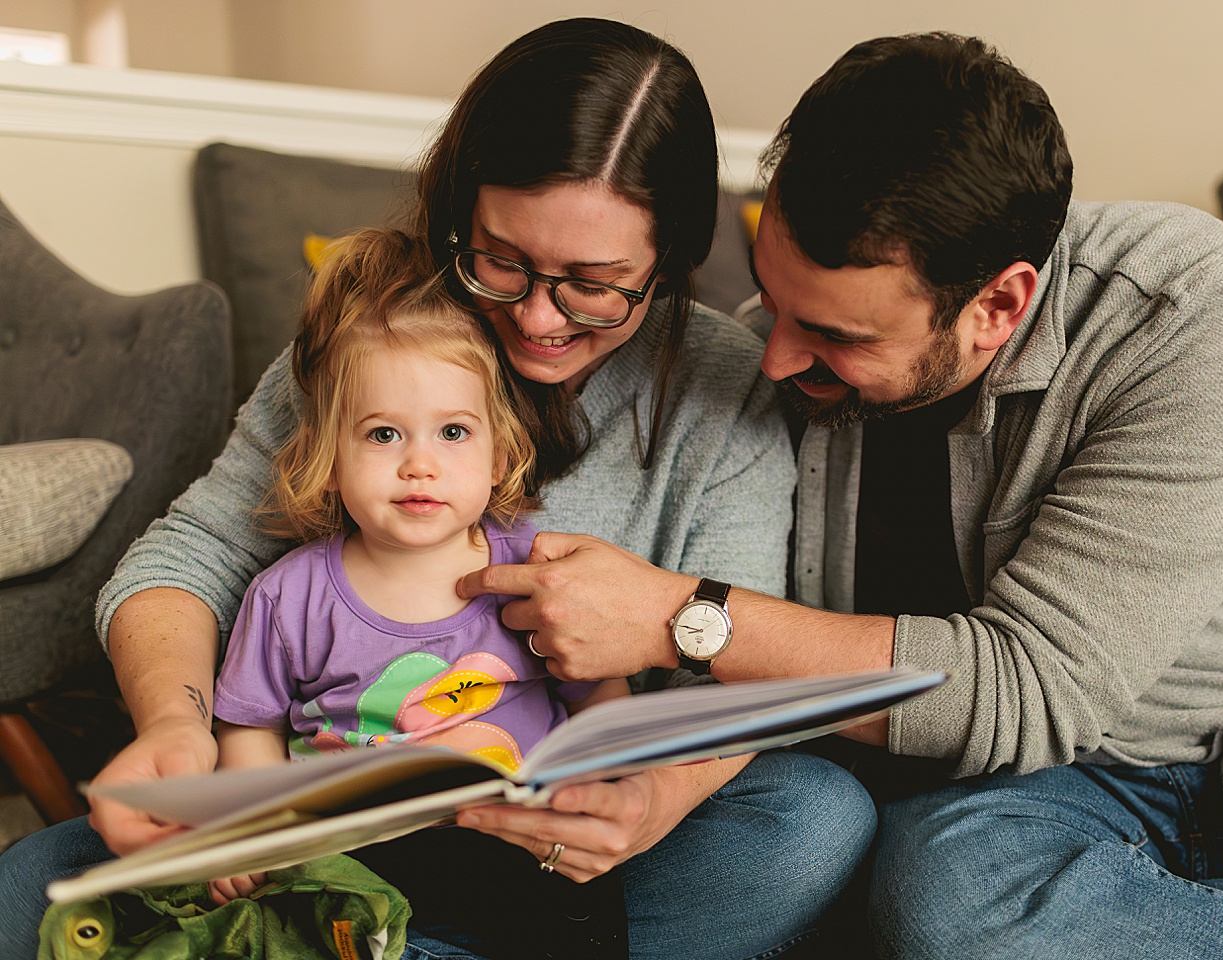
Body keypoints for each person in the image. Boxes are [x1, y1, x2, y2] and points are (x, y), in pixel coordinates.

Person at [455, 32, 1223, 960]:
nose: (780, 355)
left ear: (998, 305)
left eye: (838, 337)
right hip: (1029, 814)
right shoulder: (765, 365)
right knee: (956, 889)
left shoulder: (1191, 309)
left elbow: (1030, 690)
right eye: (773, 298)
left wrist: (685, 614)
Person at [0, 19, 875, 960]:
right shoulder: (372, 339)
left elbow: (737, 660)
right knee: (25, 889)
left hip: (552, 845)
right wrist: (177, 728)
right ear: (460, 208)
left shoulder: (727, 389)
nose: (537, 319)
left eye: (595, 284)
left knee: (812, 817)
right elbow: (194, 553)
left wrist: (658, 794)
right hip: (334, 819)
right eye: (501, 258)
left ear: (668, 265)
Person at [202, 226, 627, 919]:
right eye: (382, 434)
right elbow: (248, 729)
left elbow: (601, 700)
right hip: (354, 858)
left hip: (516, 853)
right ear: (328, 459)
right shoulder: (289, 596)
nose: (418, 464)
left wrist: (608, 789)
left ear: (499, 455)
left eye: (453, 432)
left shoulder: (536, 572)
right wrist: (253, 832)